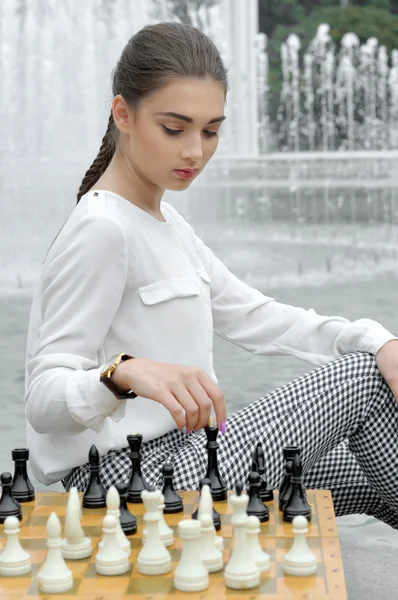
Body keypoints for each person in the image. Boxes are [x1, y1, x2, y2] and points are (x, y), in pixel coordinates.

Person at [24, 22, 398, 529]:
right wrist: (121, 373)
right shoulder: (102, 228)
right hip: (129, 482)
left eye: (210, 130)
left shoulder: (168, 225)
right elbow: (43, 398)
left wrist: (376, 338)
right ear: (123, 114)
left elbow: (260, 318)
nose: (195, 151)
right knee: (363, 379)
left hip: (194, 456)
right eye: (174, 129)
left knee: (367, 470)